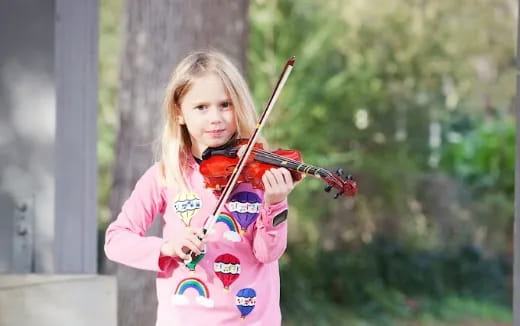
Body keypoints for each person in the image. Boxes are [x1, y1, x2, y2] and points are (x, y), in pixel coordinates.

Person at [104, 51, 298, 326]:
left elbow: (268, 253)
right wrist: (168, 247)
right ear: (178, 113)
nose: (216, 117)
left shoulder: (253, 173)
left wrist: (275, 204)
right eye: (201, 107)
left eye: (225, 105)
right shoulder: (165, 175)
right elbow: (115, 241)